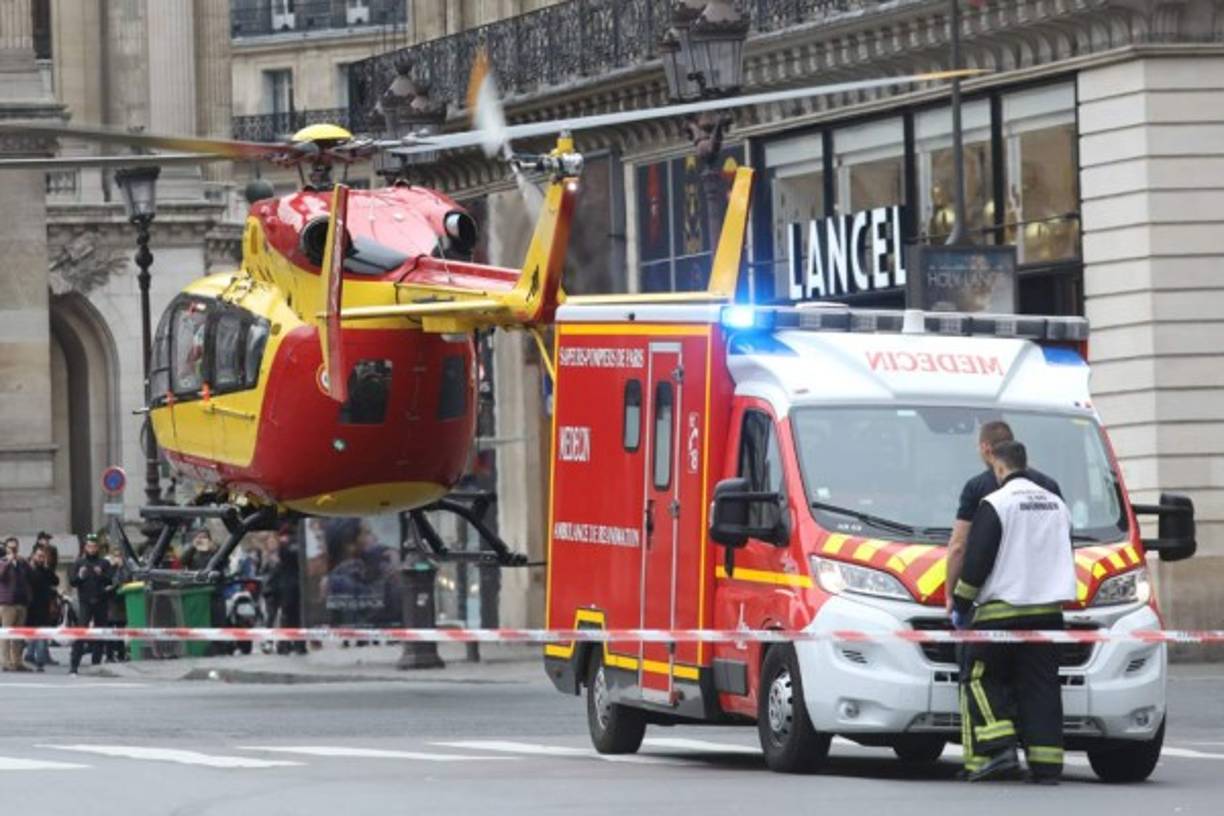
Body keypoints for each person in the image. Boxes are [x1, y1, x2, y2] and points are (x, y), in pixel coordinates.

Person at [950, 440, 1076, 784]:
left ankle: (999, 746)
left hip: (1001, 612)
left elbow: (977, 561)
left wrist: (961, 605)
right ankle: (1047, 766)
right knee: (1041, 687)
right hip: (1049, 615)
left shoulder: (996, 503)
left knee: (978, 676)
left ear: (999, 468)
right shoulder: (1056, 504)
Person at [945, 421, 1061, 614]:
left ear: (985, 448)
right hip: (1047, 605)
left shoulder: (977, 488)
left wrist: (953, 597)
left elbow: (959, 546)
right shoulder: (1049, 487)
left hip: (997, 607)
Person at [69, 534, 114, 674]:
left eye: (94, 546)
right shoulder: (79, 563)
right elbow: (73, 581)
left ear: (98, 548)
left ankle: (96, 664)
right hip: (85, 602)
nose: (92, 549)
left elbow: (110, 581)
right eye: (89, 546)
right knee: (81, 632)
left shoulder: (104, 563)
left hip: (101, 601)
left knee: (99, 633)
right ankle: (74, 665)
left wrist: (101, 575)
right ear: (85, 548)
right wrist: (80, 576)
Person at [23, 544, 59, 671]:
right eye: (39, 556)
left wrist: (47, 568)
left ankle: (34, 656)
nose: (41, 559)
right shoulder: (28, 569)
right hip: (31, 605)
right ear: (33, 556)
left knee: (41, 632)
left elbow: (56, 581)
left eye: (43, 557)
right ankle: (37, 658)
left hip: (44, 605)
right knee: (36, 632)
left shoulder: (45, 570)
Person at [0, 537, 33, 672]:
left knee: (18, 635)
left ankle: (17, 661)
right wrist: (8, 562)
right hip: (7, 603)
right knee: (6, 634)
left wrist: (25, 562)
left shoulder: (21, 563)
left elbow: (31, 576)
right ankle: (6, 661)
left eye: (15, 548)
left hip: (21, 602)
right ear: (6, 548)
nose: (13, 550)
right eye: (11, 548)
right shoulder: (2, 562)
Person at [104, 550, 131, 663]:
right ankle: (109, 655)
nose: (117, 558)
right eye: (115, 556)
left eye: (119, 556)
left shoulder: (126, 569)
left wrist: (121, 568)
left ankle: (121, 654)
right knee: (110, 630)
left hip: (121, 603)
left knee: (120, 630)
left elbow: (125, 580)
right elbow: (108, 581)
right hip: (110, 602)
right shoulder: (109, 569)